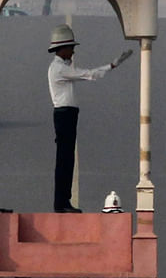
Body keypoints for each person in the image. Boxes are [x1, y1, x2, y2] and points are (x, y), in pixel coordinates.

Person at [45, 24, 132, 212]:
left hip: (66, 115)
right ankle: (61, 203)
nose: (73, 51)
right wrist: (112, 65)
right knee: (65, 161)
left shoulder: (59, 67)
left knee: (67, 160)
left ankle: (63, 201)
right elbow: (89, 75)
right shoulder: (59, 68)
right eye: (71, 48)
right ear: (62, 48)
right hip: (64, 116)